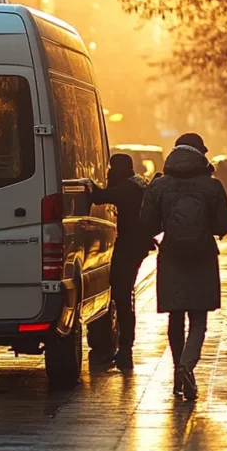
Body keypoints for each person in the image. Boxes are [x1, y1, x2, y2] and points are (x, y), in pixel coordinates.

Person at [141, 133, 227, 401]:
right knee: (199, 319)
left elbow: (147, 225)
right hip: (202, 256)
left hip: (171, 257)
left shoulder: (160, 186)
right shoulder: (212, 186)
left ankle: (176, 375)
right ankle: (187, 365)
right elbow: (222, 226)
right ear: (201, 154)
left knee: (175, 316)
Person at [90, 153, 152, 370]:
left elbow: (99, 197)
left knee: (122, 295)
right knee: (124, 295)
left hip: (130, 245)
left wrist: (87, 184)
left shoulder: (127, 188)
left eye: (111, 168)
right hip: (137, 244)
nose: (109, 172)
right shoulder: (137, 182)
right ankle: (123, 347)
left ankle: (125, 349)